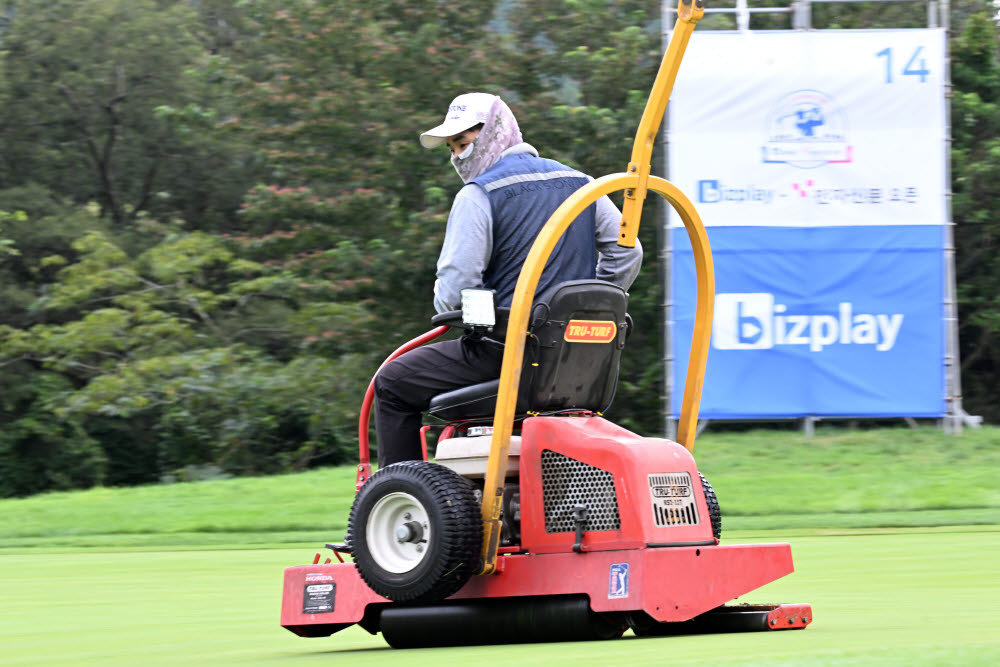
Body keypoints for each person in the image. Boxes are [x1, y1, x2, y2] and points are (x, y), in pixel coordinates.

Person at [373, 92, 642, 467]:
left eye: (462, 144)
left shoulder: (477, 196)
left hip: (506, 355)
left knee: (391, 383)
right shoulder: (582, 183)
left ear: (491, 134)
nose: (456, 157)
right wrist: (591, 306)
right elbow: (628, 251)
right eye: (451, 147)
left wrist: (467, 313)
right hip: (579, 361)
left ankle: (396, 496)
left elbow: (455, 289)